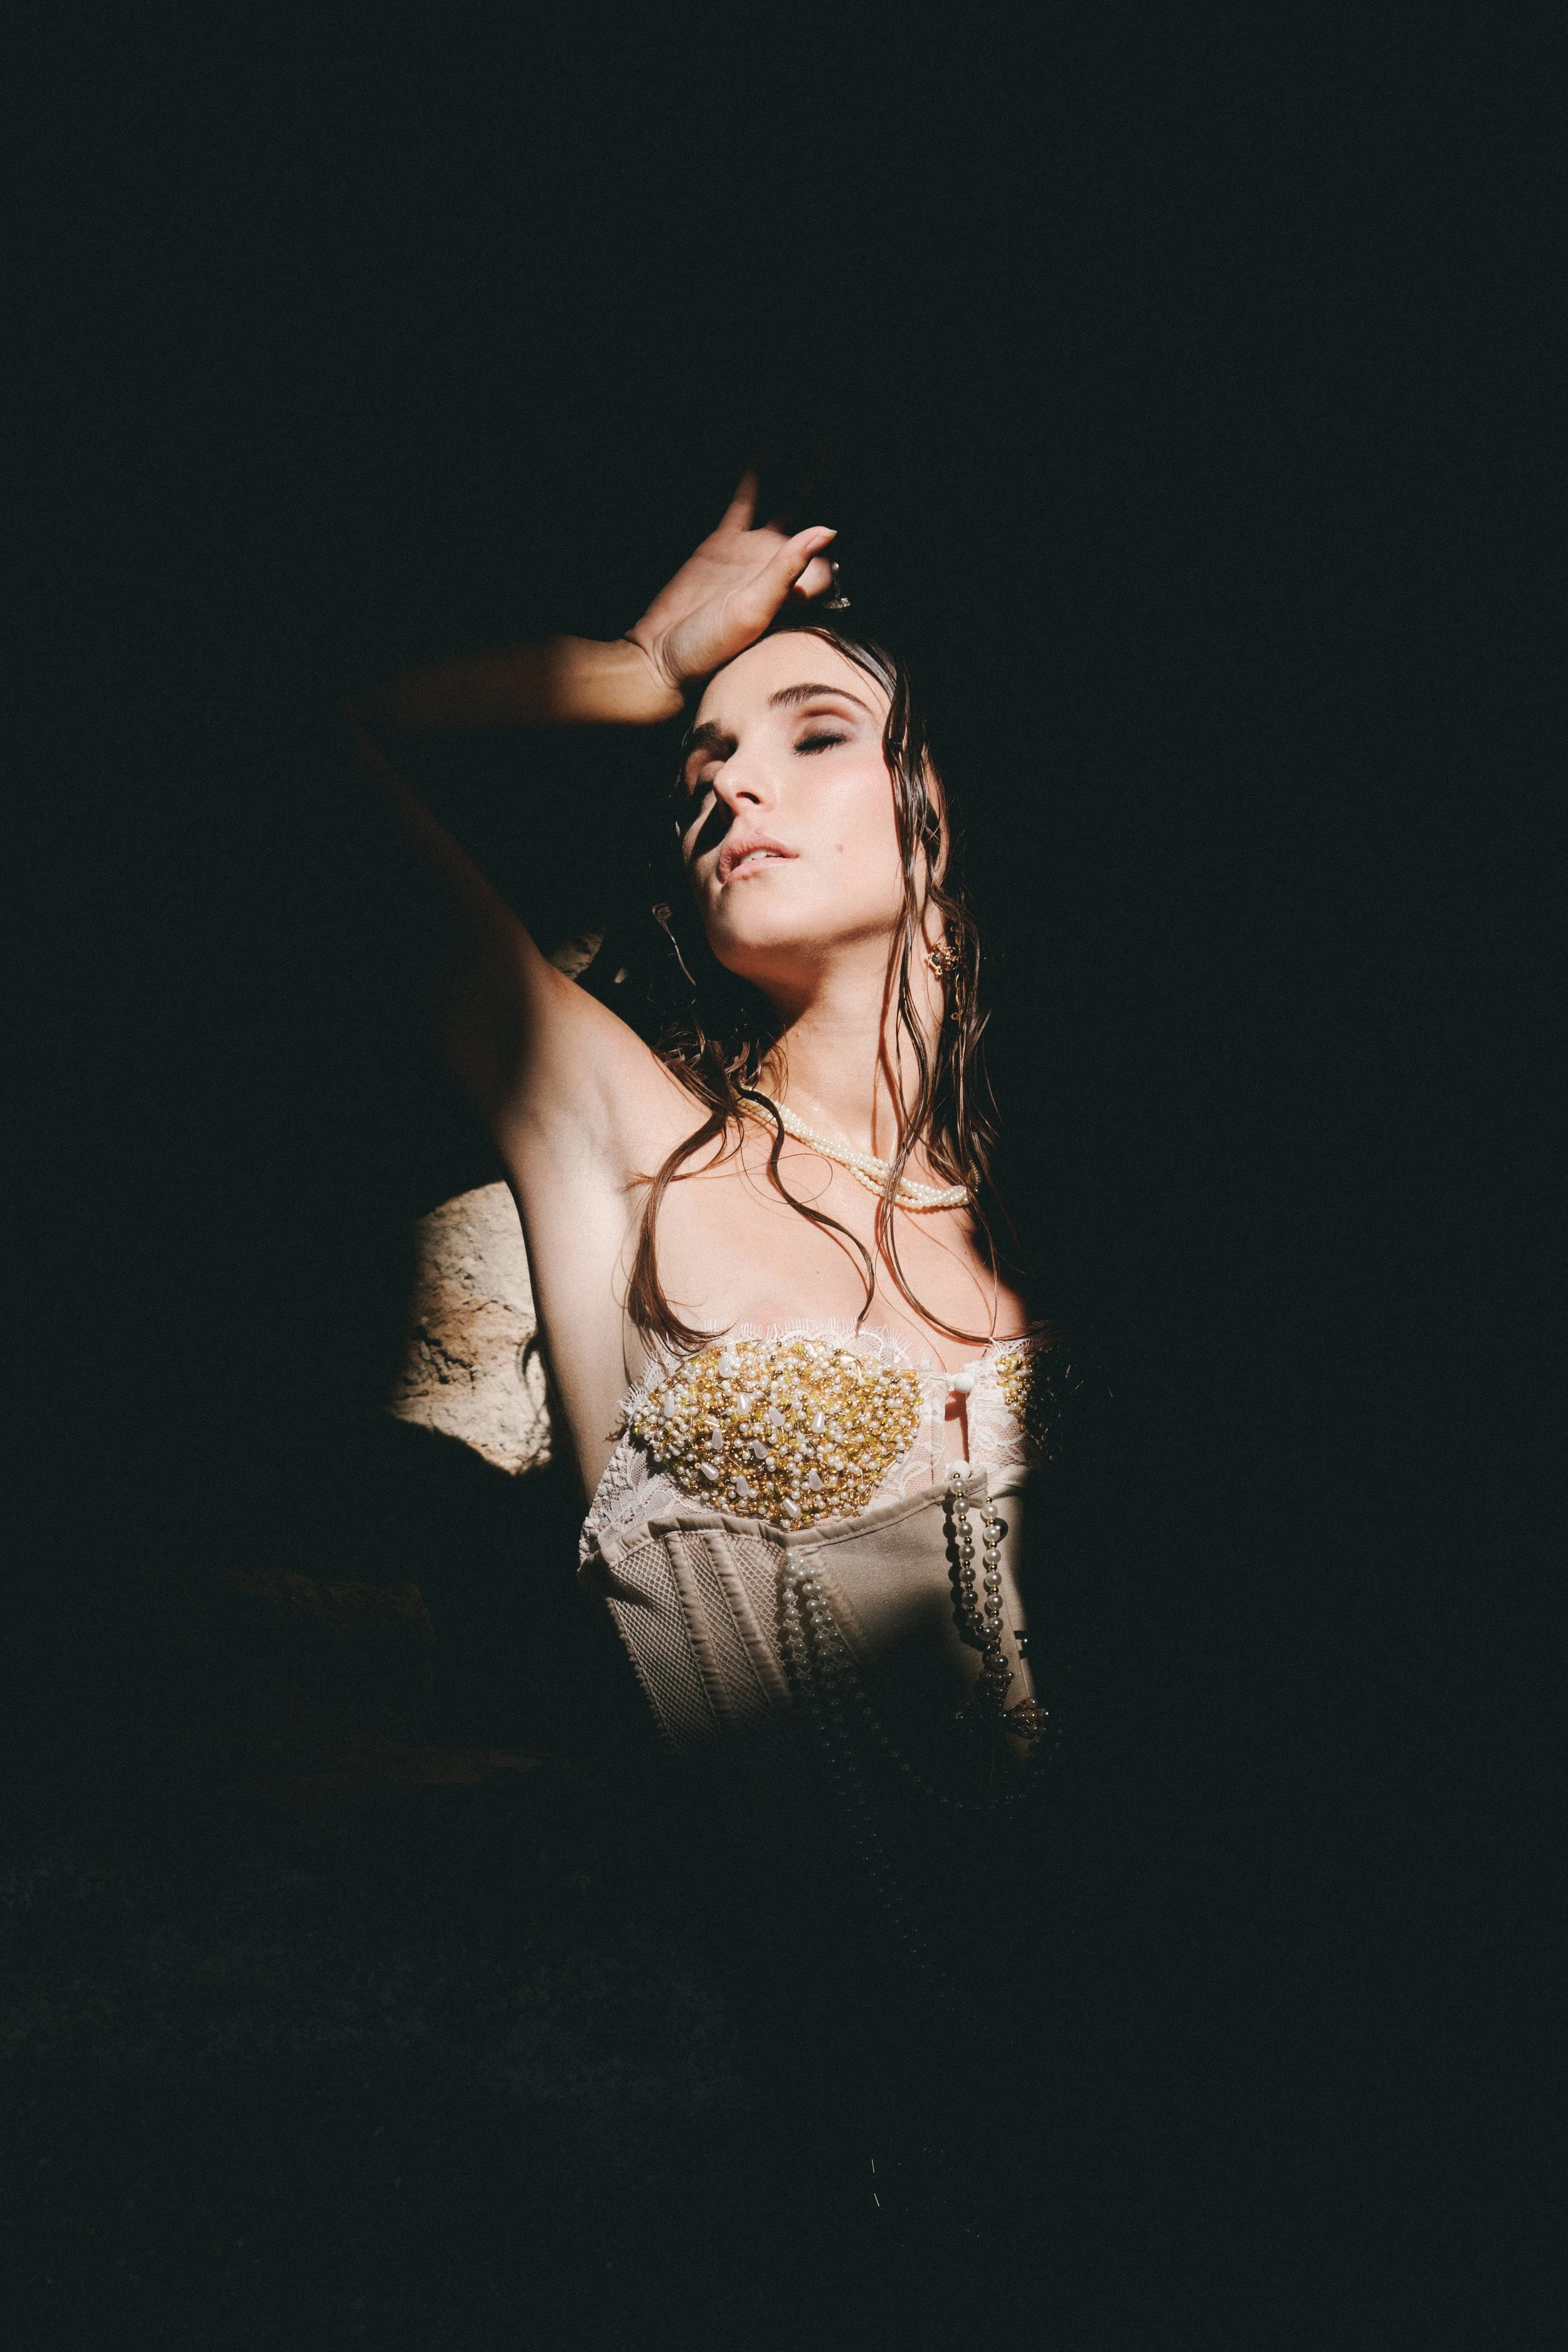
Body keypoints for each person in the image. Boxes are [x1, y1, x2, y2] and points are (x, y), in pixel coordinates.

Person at [349, 471, 1086, 2255]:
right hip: (765, 2143)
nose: (726, 779)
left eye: (811, 732)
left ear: (952, 803)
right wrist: (637, 659)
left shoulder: (1108, 1223)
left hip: (1125, 2116)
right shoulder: (625, 1139)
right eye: (699, 767)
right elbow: (272, 732)